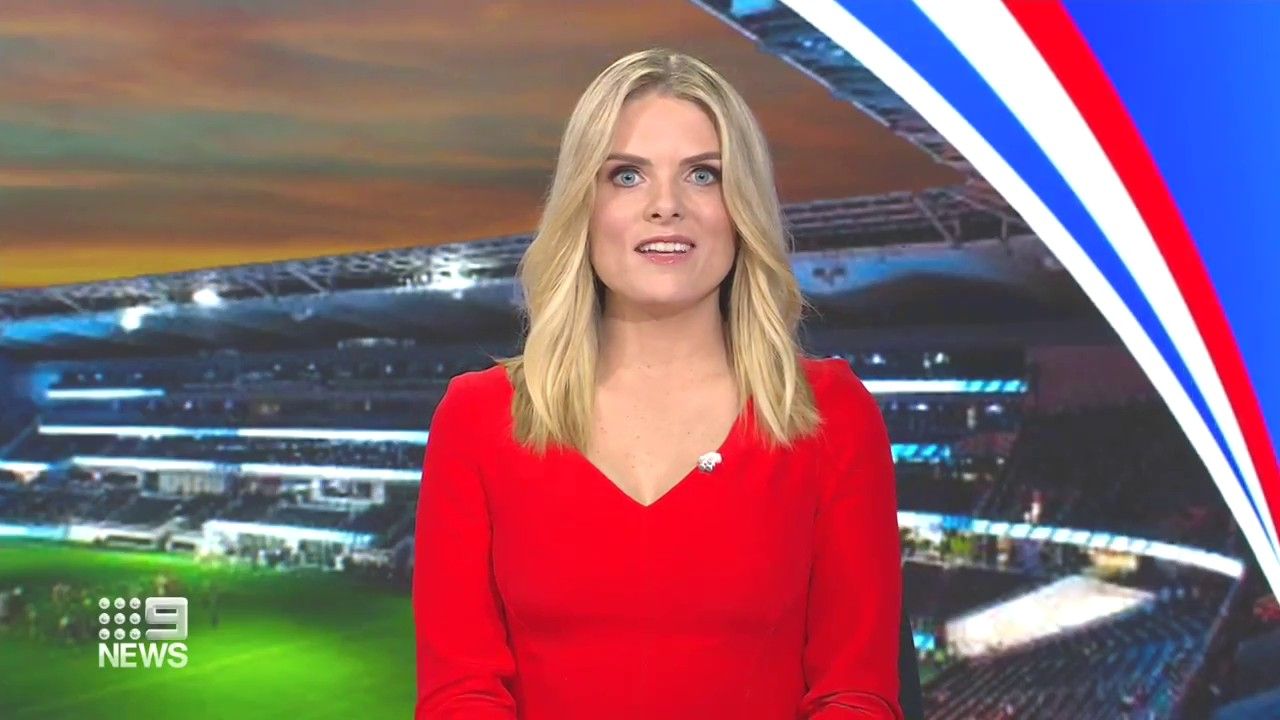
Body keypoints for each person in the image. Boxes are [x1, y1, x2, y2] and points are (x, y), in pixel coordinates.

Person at [413, 48, 903, 720]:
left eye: (703, 175)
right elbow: (461, 694)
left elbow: (855, 693)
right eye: (627, 176)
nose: (666, 206)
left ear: (742, 207)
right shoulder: (478, 417)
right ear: (584, 206)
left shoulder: (830, 414)